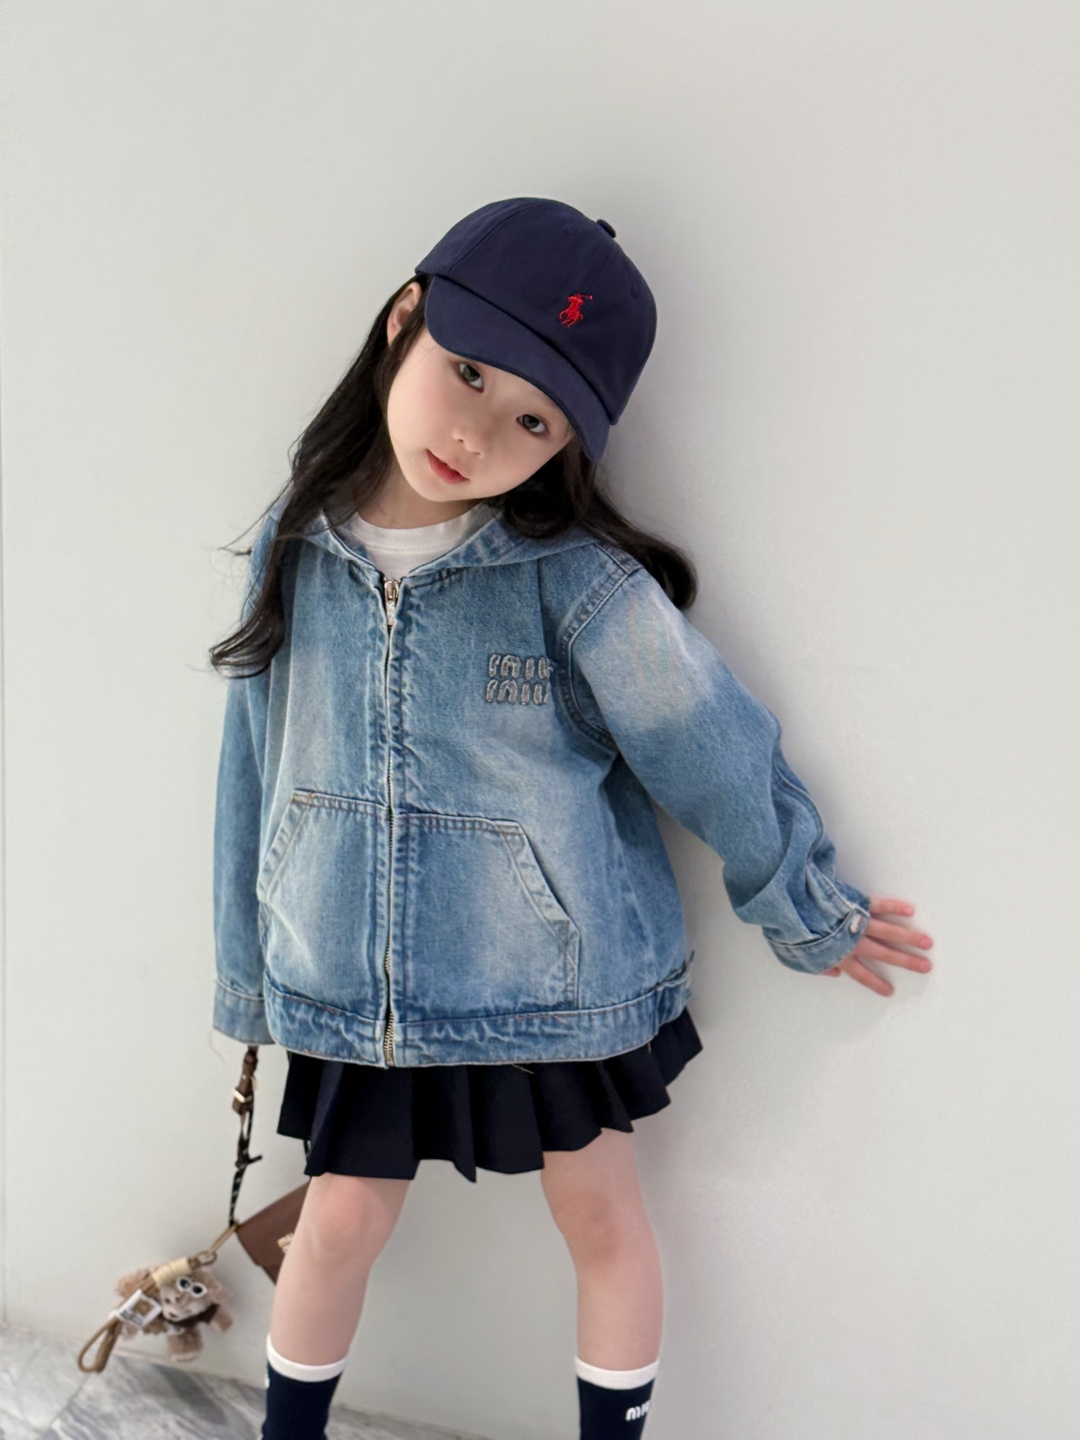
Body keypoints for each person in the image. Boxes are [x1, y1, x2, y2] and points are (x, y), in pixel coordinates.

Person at [208, 197, 934, 1440]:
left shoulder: (576, 583)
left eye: (532, 420)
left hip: (550, 976)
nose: (477, 433)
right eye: (469, 372)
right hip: (353, 984)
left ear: (569, 445)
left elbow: (707, 742)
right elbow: (250, 772)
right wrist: (250, 982)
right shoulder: (294, 547)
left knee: (598, 1214)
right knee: (335, 1223)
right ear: (405, 319)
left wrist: (806, 903)